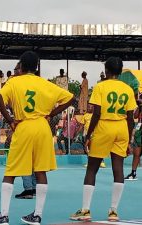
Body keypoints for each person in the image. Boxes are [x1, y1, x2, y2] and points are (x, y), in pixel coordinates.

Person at [0, 51, 74, 225]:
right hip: (42, 127)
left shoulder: (14, 82)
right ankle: (37, 215)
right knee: (40, 170)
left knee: (11, 171)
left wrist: (9, 119)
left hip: (23, 125)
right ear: (36, 67)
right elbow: (70, 98)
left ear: (21, 66)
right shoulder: (44, 83)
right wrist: (51, 114)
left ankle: (4, 215)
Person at [70, 57, 136, 222]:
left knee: (92, 169)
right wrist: (128, 139)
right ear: (120, 72)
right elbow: (130, 117)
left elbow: (97, 113)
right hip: (121, 128)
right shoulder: (127, 89)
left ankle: (85, 210)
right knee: (118, 169)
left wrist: (88, 134)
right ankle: (113, 211)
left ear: (106, 71)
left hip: (104, 127)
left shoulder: (100, 86)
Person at [124, 95, 142, 180]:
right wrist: (139, 106)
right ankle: (133, 173)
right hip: (140, 130)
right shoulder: (140, 102)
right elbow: (135, 116)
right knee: (136, 153)